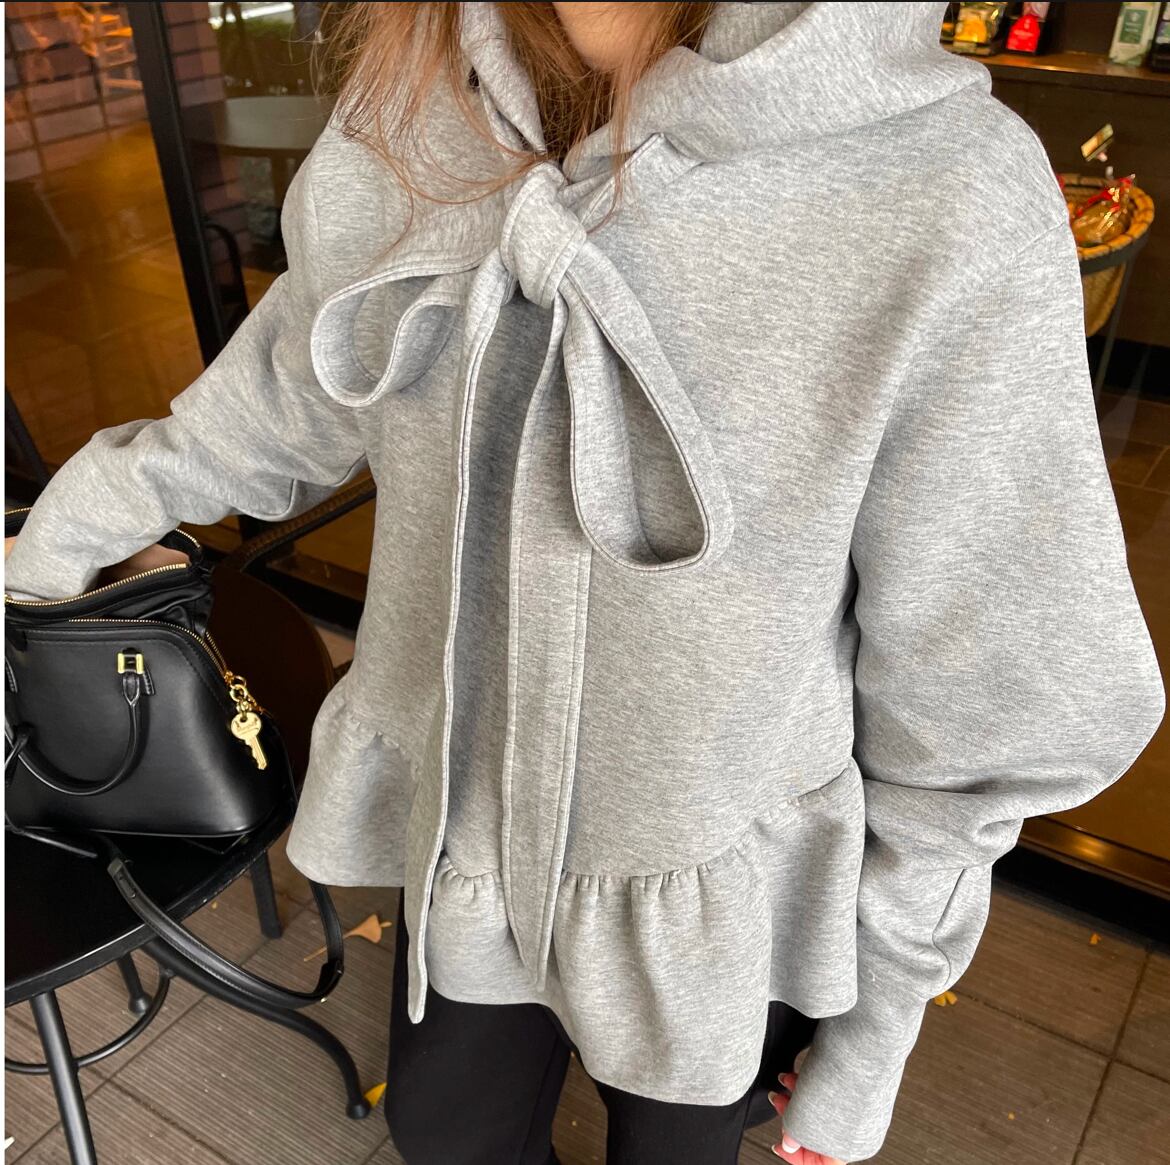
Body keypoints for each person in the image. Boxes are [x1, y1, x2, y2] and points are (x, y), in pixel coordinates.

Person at [5, 3, 1164, 1163]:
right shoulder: (411, 98)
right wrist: (49, 550)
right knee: (445, 1131)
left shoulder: (945, 184)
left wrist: (879, 1022)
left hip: (716, 870)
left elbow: (980, 682)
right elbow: (292, 387)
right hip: (465, 827)